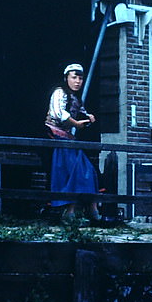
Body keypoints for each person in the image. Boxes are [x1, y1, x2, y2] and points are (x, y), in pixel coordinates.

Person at [45, 63, 106, 225]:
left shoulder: (76, 98)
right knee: (75, 167)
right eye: (74, 77)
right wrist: (76, 124)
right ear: (66, 78)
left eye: (80, 78)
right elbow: (60, 114)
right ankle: (69, 210)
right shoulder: (59, 92)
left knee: (87, 169)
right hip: (53, 137)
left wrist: (89, 117)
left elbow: (81, 112)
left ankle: (92, 208)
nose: (77, 81)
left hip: (67, 139)